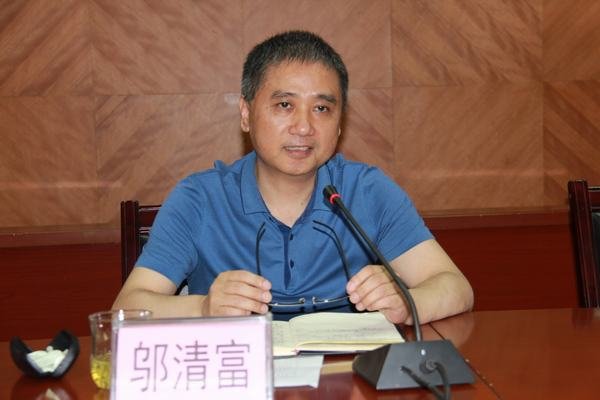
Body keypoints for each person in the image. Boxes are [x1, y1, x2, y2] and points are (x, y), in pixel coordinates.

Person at [113, 30, 473, 324]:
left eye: (322, 108)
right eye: (285, 105)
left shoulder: (367, 190)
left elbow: (456, 287)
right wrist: (203, 308)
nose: (304, 127)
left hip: (349, 376)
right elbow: (126, 309)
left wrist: (407, 303)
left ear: (340, 123)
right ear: (246, 114)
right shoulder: (200, 198)